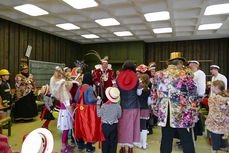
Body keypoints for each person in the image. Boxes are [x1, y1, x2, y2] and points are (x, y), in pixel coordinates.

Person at [153, 52, 198, 153]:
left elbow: (154, 93)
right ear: (180, 63)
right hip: (182, 110)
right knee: (186, 138)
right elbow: (193, 94)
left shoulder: (159, 74)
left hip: (165, 110)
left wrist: (155, 108)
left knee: (166, 138)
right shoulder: (186, 74)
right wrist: (194, 112)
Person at [74, 71, 104, 153]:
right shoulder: (89, 88)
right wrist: (97, 99)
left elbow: (76, 99)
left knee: (80, 127)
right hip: (88, 111)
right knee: (89, 128)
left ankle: (80, 145)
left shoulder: (80, 87)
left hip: (80, 111)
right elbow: (90, 100)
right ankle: (89, 147)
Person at [116, 60, 142, 153]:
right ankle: (130, 148)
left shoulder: (119, 77)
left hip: (122, 106)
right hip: (134, 105)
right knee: (133, 127)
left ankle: (122, 148)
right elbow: (139, 93)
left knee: (122, 127)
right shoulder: (136, 78)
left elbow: (115, 92)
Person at [50, 66, 73, 153]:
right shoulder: (64, 93)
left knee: (66, 130)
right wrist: (73, 116)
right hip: (65, 113)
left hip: (65, 112)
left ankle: (66, 144)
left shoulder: (64, 92)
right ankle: (63, 147)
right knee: (66, 130)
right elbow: (68, 106)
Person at [205, 80, 229, 153]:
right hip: (224, 122)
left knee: (215, 137)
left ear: (216, 87)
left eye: (212, 86)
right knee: (222, 137)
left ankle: (214, 150)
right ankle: (224, 147)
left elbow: (212, 111)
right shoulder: (226, 98)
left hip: (214, 122)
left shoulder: (212, 99)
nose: (211, 88)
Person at [97, 87, 122, 153]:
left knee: (105, 142)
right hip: (114, 126)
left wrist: (98, 105)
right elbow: (119, 116)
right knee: (113, 142)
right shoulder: (118, 106)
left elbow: (98, 114)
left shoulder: (104, 106)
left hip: (105, 126)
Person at [188, 60, 206, 140]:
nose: (189, 65)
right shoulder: (191, 73)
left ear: (195, 65)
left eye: (191, 63)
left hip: (195, 98)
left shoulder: (200, 73)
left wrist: (200, 97)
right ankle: (189, 137)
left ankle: (193, 137)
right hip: (190, 98)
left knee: (194, 118)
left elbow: (202, 86)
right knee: (189, 117)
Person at [135, 74, 151, 149]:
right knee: (144, 126)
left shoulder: (139, 87)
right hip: (145, 109)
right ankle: (144, 143)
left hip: (138, 109)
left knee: (138, 126)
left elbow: (137, 95)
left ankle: (139, 143)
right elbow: (149, 102)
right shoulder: (148, 89)